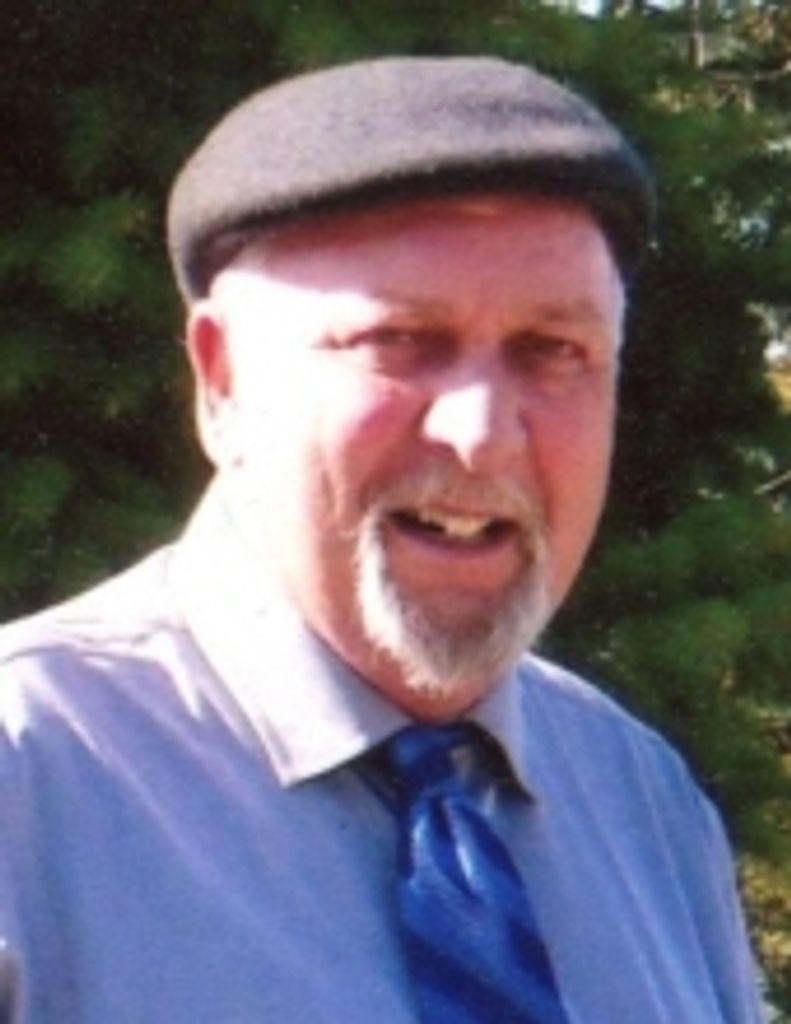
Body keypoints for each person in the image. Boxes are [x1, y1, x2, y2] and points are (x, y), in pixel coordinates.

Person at [0, 56, 766, 1023]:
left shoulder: (647, 808)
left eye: (552, 352)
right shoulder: (27, 776)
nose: (482, 432)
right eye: (399, 342)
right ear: (221, 379)